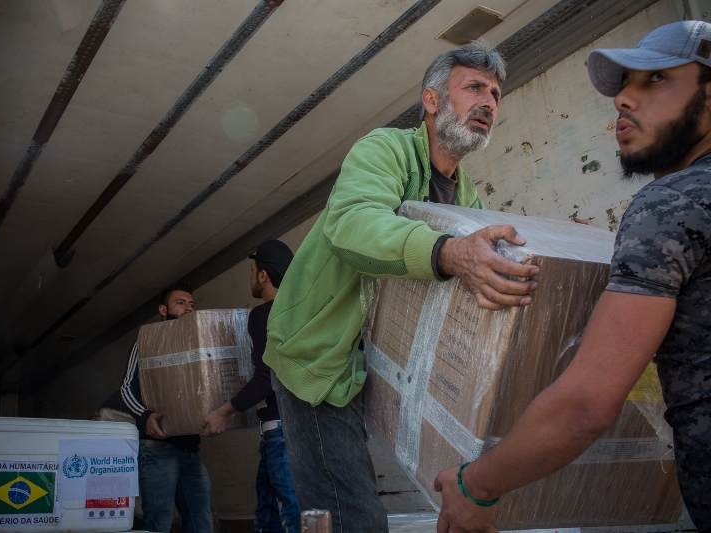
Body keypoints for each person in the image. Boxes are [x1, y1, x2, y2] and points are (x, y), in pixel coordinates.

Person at [434, 20, 711, 533]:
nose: (623, 100)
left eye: (655, 80)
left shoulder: (671, 204)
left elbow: (586, 403)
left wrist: (477, 485)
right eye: (624, 83)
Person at [262, 41, 541, 533]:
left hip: (377, 366)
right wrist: (447, 253)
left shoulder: (470, 197)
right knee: (352, 517)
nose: (489, 103)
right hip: (318, 354)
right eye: (474, 88)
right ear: (431, 100)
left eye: (496, 94)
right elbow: (351, 223)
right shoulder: (383, 149)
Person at [201, 240, 301, 533]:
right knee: (268, 517)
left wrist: (223, 411)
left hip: (282, 432)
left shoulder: (263, 315)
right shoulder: (303, 311)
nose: (249, 277)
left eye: (252, 270)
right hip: (296, 429)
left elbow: (265, 376)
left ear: (263, 276)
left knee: (291, 517)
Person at [121, 283, 213, 533]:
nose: (188, 308)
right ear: (163, 309)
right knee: (159, 522)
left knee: (201, 521)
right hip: (158, 449)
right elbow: (126, 388)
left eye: (192, 304)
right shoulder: (146, 342)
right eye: (181, 303)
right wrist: (144, 416)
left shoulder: (196, 344)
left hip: (192, 450)